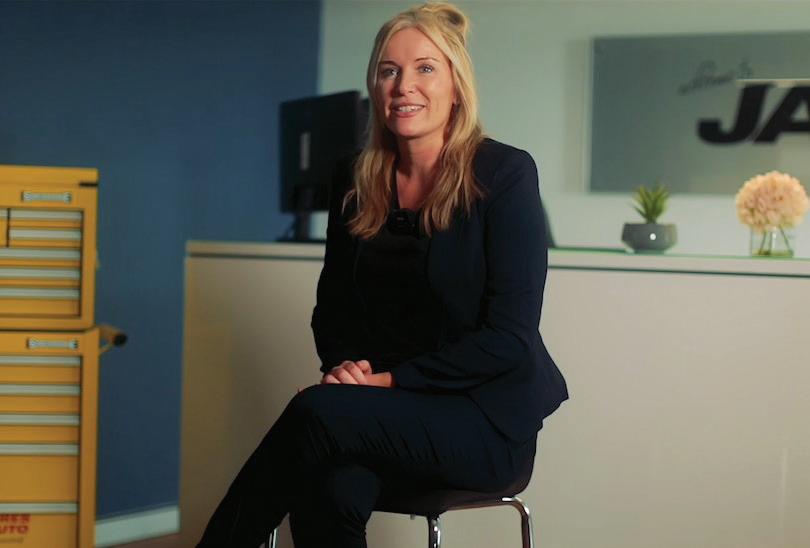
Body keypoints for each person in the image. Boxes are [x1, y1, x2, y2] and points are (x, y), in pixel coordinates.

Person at [197, 2, 567, 547]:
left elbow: (508, 338)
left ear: (456, 87)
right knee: (326, 486)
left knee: (315, 414)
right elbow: (333, 311)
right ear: (375, 86)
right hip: (384, 414)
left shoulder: (504, 174)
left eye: (425, 68)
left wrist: (383, 384)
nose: (403, 85)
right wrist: (348, 370)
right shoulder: (353, 178)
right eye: (389, 70)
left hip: (485, 421)